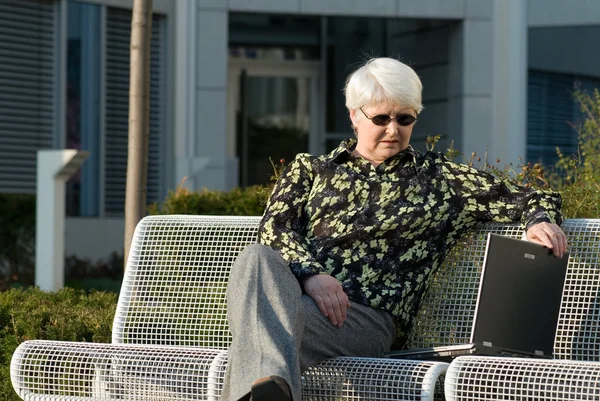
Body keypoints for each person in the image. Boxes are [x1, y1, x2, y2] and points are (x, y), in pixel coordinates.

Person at [222, 57, 568, 401]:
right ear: (354, 115)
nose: (393, 129)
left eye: (405, 119)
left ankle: (263, 389)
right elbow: (275, 230)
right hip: (294, 300)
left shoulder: (439, 179)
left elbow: (532, 197)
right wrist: (312, 276)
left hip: (363, 321)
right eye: (381, 118)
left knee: (260, 332)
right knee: (256, 258)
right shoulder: (310, 170)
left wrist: (539, 220)